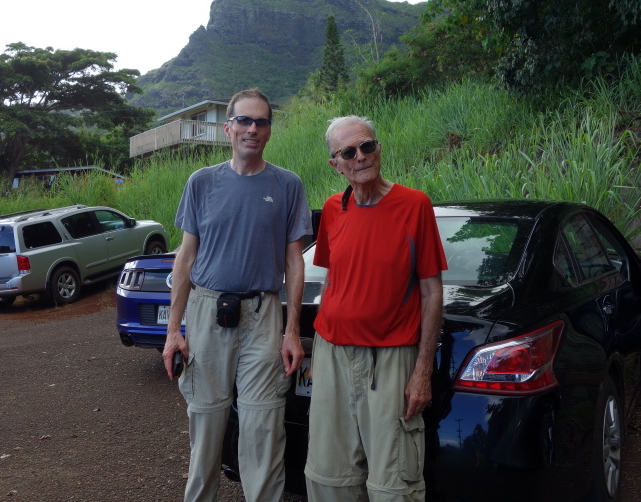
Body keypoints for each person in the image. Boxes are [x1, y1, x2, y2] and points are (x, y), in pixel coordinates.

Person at [162, 88, 311, 502]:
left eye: (261, 122)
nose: (252, 129)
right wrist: (175, 330)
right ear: (227, 128)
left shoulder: (287, 185)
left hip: (264, 314)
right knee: (206, 423)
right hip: (208, 310)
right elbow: (185, 259)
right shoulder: (202, 182)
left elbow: (294, 261)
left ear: (269, 131)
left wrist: (292, 329)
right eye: (244, 121)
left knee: (264, 427)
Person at [304, 115, 447, 502]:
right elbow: (333, 282)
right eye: (349, 152)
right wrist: (319, 348)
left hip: (389, 357)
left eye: (368, 146)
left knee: (393, 484)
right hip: (332, 353)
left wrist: (422, 372)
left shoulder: (414, 205)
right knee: (328, 477)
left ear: (379, 148)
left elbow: (432, 292)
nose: (361, 156)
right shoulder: (333, 209)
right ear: (335, 164)